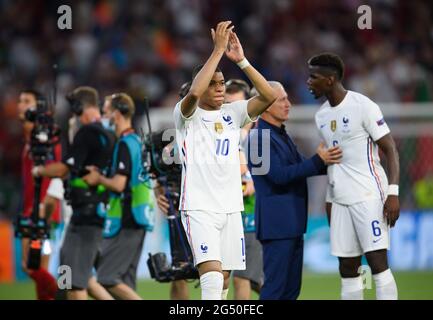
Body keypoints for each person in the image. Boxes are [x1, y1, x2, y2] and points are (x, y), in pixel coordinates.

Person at [173, 20, 277, 300]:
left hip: (231, 209)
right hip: (199, 208)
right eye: (214, 84)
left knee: (225, 279)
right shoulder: (186, 116)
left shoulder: (233, 113)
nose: (219, 89)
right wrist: (217, 51)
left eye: (222, 83)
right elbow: (194, 92)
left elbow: (269, 95)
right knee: (211, 276)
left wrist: (241, 61)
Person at [307, 52, 400, 300]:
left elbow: (390, 149)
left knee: (377, 263)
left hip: (368, 195)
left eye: (313, 77)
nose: (308, 82)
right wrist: (329, 198)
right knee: (347, 268)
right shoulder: (321, 116)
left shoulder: (363, 106)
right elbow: (334, 161)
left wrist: (392, 193)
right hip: (339, 200)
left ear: (330, 79)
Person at [247, 81, 342, 300]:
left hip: (290, 225)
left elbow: (301, 168)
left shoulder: (279, 134)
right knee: (274, 291)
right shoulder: (258, 138)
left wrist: (330, 161)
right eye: (281, 100)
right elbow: (278, 176)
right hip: (277, 227)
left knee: (290, 292)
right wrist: (318, 161)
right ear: (265, 105)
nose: (288, 104)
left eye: (287, 98)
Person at [32, 86, 115, 300]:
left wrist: (40, 169)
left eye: (74, 109)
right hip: (94, 216)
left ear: (79, 107)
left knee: (73, 282)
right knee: (75, 276)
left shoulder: (87, 133)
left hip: (84, 219)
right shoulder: (109, 134)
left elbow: (63, 169)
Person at [83, 93, 154, 300]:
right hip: (138, 216)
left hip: (127, 217)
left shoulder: (124, 144)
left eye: (106, 111)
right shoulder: (136, 141)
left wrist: (98, 179)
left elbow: (118, 184)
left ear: (117, 113)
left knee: (107, 278)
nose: (104, 116)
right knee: (125, 281)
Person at [17, 89, 62, 300]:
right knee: (39, 264)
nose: (20, 105)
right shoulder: (31, 138)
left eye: (26, 101)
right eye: (20, 101)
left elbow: (58, 170)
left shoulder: (46, 138)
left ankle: (61, 293)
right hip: (34, 208)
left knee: (29, 266)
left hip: (42, 209)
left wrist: (48, 204)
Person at [155, 81, 195, 300]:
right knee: (180, 271)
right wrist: (159, 194)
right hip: (180, 211)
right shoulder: (169, 140)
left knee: (218, 273)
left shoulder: (221, 129)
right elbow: (157, 173)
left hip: (213, 209)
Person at [225, 79, 263, 300]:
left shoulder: (260, 140)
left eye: (237, 104)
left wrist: (252, 183)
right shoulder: (223, 138)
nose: (232, 110)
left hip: (252, 218)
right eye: (228, 104)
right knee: (250, 280)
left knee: (242, 278)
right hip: (229, 216)